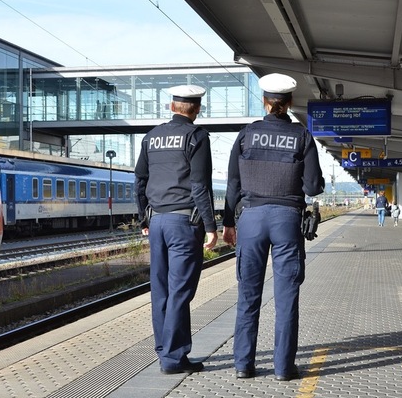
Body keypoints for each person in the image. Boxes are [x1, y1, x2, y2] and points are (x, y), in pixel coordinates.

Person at [222, 73, 325, 381]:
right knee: (286, 297)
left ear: (265, 102)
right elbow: (313, 186)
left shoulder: (246, 135)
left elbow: (233, 183)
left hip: (250, 219)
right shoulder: (302, 136)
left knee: (248, 295)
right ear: (289, 103)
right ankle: (283, 368)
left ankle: (243, 365)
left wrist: (228, 223)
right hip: (287, 220)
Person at [134, 84, 218, 375]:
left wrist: (144, 219)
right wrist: (211, 226)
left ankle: (164, 351)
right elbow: (200, 185)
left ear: (172, 107)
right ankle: (173, 358)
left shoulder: (151, 137)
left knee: (161, 291)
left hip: (157, 222)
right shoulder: (197, 137)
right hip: (183, 223)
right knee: (180, 291)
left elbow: (140, 180)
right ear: (197, 109)